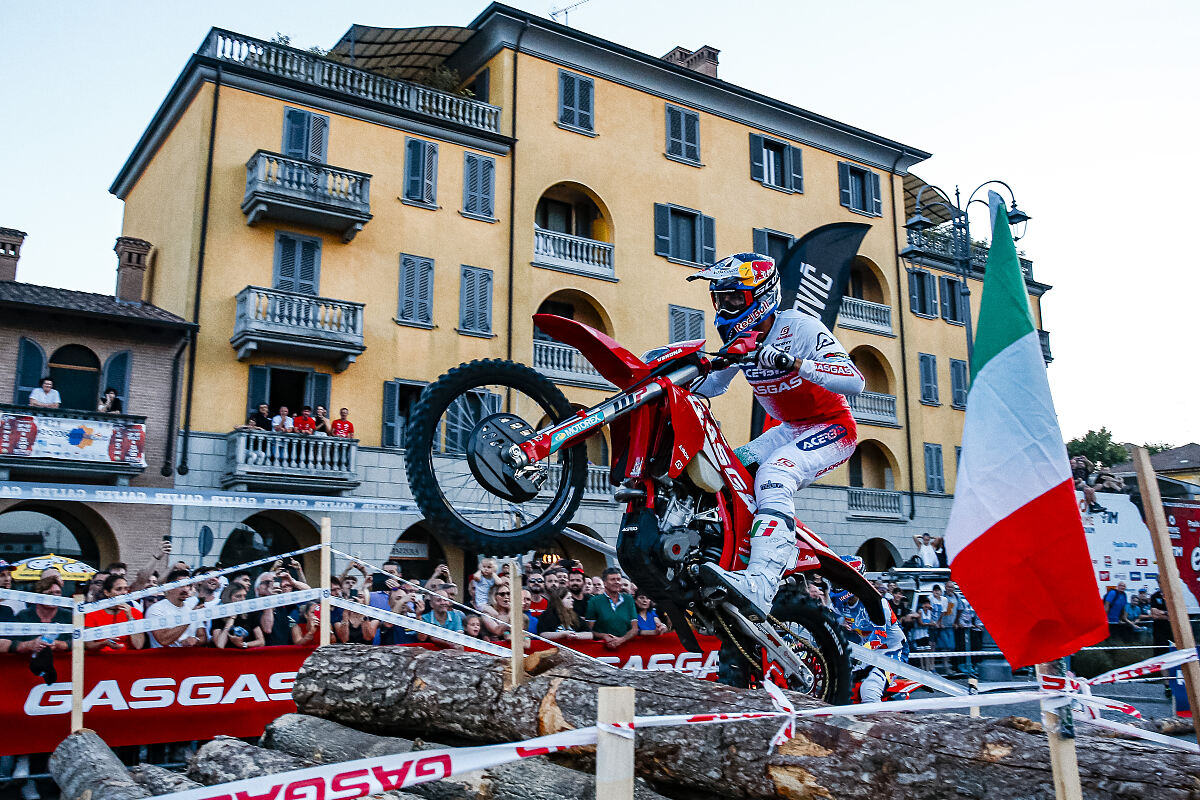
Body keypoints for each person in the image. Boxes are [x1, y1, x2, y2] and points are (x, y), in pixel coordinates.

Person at [689, 253, 864, 620]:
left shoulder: (799, 326)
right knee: (723, 468)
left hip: (832, 426)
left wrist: (794, 362)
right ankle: (731, 556)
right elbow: (714, 385)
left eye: (735, 298)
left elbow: (855, 381)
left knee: (774, 474)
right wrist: (670, 377)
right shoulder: (740, 338)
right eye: (720, 298)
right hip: (790, 428)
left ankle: (763, 581)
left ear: (761, 296)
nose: (725, 306)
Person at [83, 574, 146, 651]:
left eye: (126, 589)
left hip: (127, 658)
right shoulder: (93, 613)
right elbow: (88, 645)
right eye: (118, 589)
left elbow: (139, 645)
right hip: (102, 659)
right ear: (107, 592)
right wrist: (104, 643)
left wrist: (130, 618)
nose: (124, 592)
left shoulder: (135, 613)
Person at [146, 569, 207, 648]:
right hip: (164, 658)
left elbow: (203, 637)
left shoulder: (192, 608)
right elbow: (163, 639)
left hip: (188, 657)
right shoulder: (156, 609)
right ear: (169, 588)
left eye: (188, 585)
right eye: (181, 585)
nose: (185, 589)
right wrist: (190, 618)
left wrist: (196, 640)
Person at [584, 567, 639, 650]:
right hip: (602, 650)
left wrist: (621, 640)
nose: (617, 582)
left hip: (627, 648)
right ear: (605, 583)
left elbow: (634, 628)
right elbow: (590, 630)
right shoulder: (594, 601)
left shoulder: (629, 599)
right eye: (613, 579)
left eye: (618, 579)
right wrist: (604, 636)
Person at [214, 584, 265, 649]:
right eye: (238, 596)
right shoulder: (218, 615)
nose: (242, 599)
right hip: (227, 657)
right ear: (228, 598)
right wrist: (231, 620)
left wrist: (243, 644)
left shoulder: (250, 614)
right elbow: (220, 645)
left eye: (244, 596)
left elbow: (261, 642)